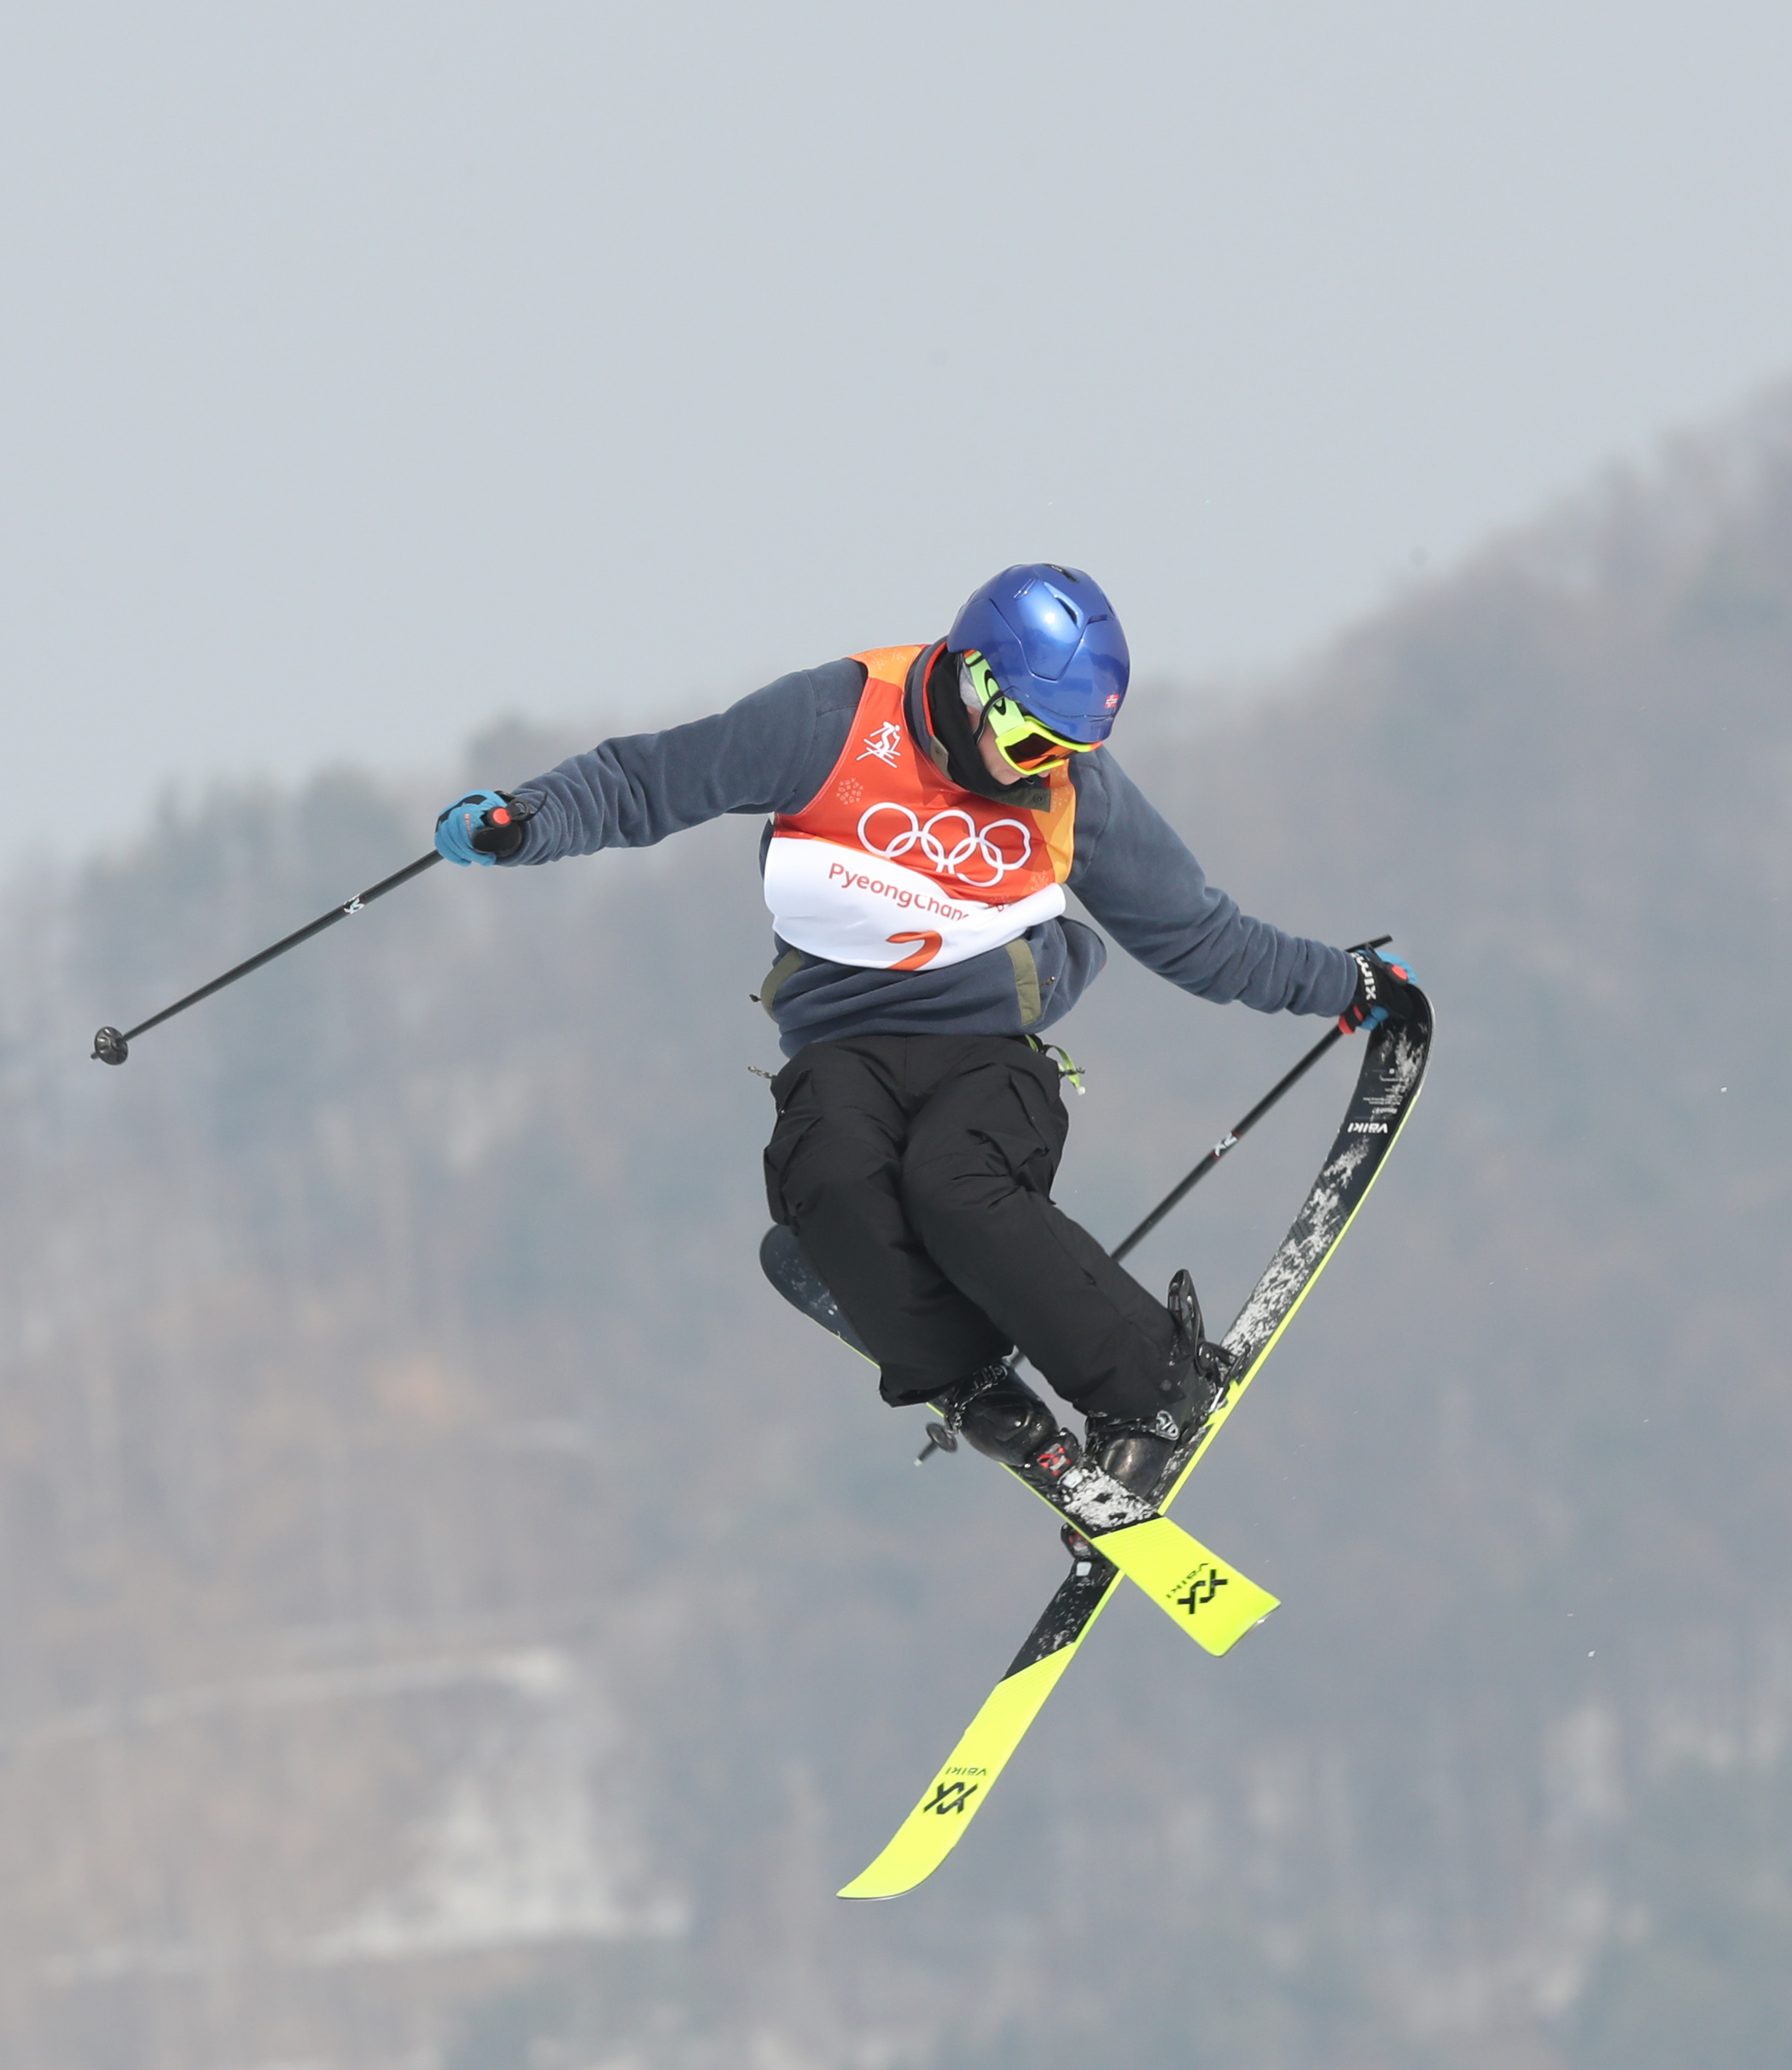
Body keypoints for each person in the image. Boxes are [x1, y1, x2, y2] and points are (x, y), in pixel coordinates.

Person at [433, 564, 1420, 1497]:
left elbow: (1195, 933)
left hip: (991, 1049)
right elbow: (645, 782)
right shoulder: (828, 718)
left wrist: (1341, 981)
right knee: (832, 1184)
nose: (1049, 772)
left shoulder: (1074, 790)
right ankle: (975, 1385)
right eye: (1034, 743)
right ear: (976, 681)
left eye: (1071, 752)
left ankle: (1154, 1385)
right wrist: (525, 821)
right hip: (840, 1045)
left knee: (956, 1189)